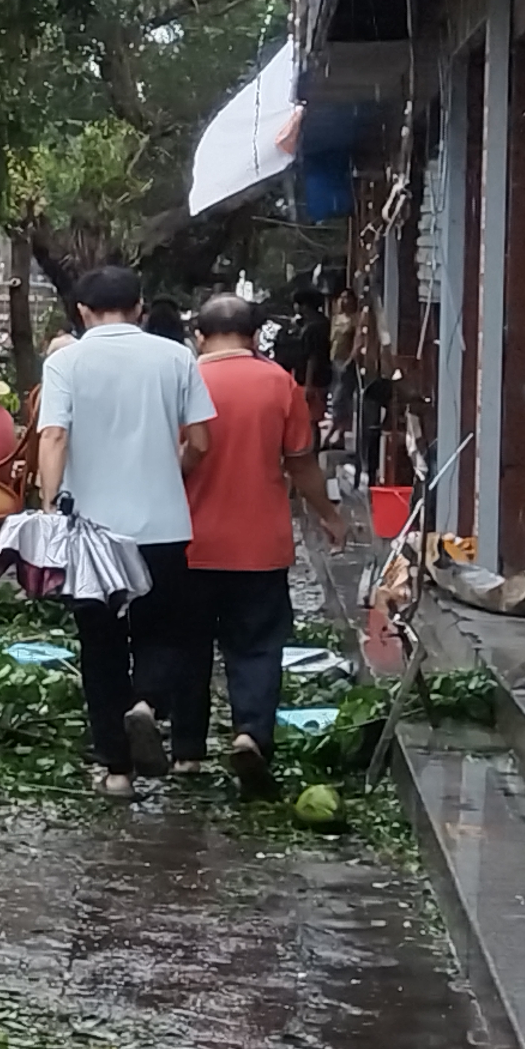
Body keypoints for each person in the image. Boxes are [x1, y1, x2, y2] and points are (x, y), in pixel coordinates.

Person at [33, 263, 214, 796]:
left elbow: (54, 438)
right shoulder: (177, 356)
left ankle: (116, 770)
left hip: (92, 531)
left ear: (83, 313)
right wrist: (170, 468)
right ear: (139, 307)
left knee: (100, 644)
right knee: (163, 631)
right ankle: (147, 701)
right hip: (163, 524)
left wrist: (49, 507)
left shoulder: (66, 361)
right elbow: (201, 441)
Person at [176, 294, 346, 794]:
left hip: (188, 541)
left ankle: (186, 751)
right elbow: (302, 462)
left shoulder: (183, 379)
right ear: (254, 336)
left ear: (200, 336)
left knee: (189, 646)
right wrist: (330, 515)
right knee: (257, 647)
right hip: (260, 544)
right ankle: (250, 733)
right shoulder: (280, 383)